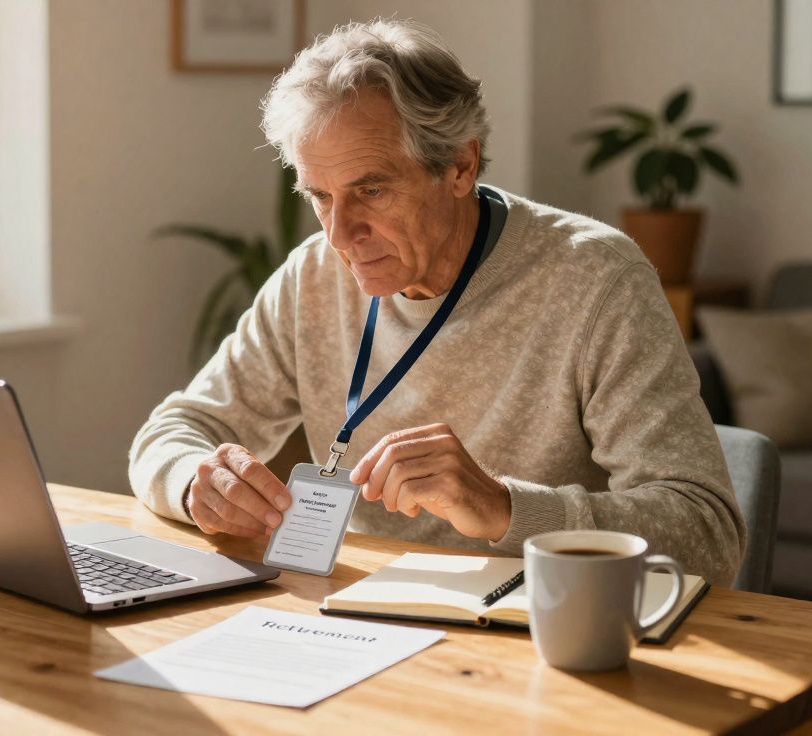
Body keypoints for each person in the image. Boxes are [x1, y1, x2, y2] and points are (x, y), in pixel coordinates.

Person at [129, 19, 744, 585]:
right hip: (360, 612)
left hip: (541, 625)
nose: (340, 236)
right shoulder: (312, 277)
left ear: (459, 165)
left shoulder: (596, 280)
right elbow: (174, 431)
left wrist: (504, 508)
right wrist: (194, 483)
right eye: (319, 196)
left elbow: (708, 533)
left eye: (370, 190)